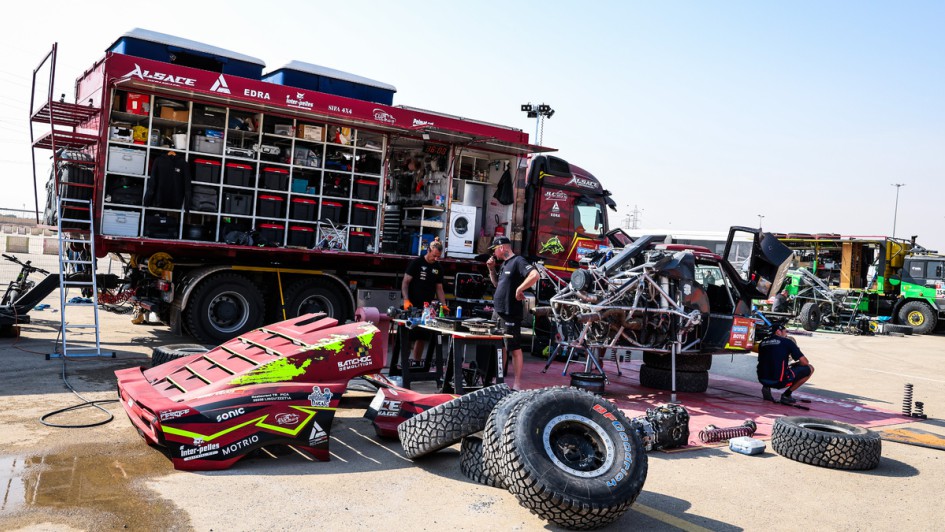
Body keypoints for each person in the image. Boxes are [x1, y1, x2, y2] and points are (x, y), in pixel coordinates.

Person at [487, 236, 540, 390]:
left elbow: (535, 275)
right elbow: (497, 284)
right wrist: (491, 269)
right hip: (499, 311)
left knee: (514, 347)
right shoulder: (504, 264)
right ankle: (500, 381)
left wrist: (520, 288)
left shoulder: (518, 261)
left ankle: (517, 384)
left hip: (511, 312)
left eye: (495, 249)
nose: (494, 253)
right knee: (500, 346)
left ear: (502, 248)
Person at [401, 240, 447, 366]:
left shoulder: (438, 268)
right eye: (434, 255)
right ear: (428, 251)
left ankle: (416, 362)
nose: (436, 258)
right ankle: (404, 362)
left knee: (422, 336)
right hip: (412, 306)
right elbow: (405, 282)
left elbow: (439, 288)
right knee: (409, 335)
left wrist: (443, 304)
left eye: (438, 256)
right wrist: (406, 299)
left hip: (426, 308)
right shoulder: (416, 263)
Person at [757, 323, 814, 404]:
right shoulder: (787, 342)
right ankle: (786, 395)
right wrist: (796, 364)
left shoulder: (762, 343)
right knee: (810, 368)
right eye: (785, 331)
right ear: (778, 332)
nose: (786, 334)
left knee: (769, 363)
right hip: (779, 381)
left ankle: (766, 386)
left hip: (762, 379)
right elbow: (805, 362)